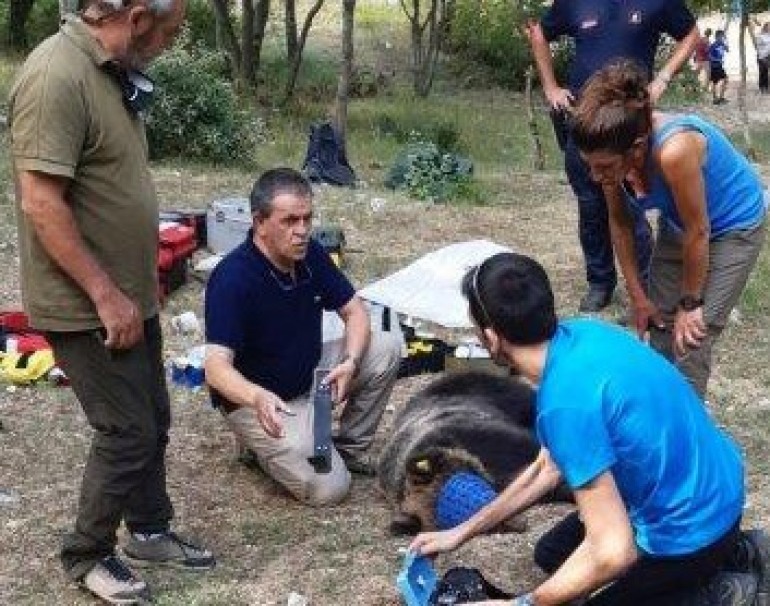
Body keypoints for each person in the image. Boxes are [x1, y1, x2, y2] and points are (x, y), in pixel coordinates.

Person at [410, 251, 769, 606]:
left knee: (588, 580)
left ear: (490, 337)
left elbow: (614, 553)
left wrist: (521, 604)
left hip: (693, 532)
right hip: (718, 490)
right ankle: (735, 552)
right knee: (552, 555)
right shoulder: (582, 334)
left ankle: (718, 592)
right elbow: (546, 469)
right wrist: (461, 532)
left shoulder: (565, 404)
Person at [8, 0, 215, 604]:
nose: (172, 42)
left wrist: (137, 278)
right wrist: (104, 293)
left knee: (154, 417)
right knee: (126, 431)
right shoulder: (55, 76)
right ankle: (87, 553)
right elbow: (42, 203)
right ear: (138, 15)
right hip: (86, 302)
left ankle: (149, 530)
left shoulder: (108, 70)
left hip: (126, 291)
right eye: (171, 29)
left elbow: (108, 187)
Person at [204, 168, 401, 506]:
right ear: (259, 222)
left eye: (307, 219)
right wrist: (256, 397)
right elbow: (216, 369)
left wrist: (351, 363)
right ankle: (263, 448)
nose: (302, 231)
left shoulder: (311, 256)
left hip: (310, 376)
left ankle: (345, 448)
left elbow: (355, 312)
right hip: (261, 400)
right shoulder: (232, 279)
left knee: (385, 347)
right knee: (330, 490)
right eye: (290, 221)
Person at [571, 59, 767, 398]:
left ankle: (688, 432)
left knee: (690, 337)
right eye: (590, 165)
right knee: (658, 327)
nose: (595, 176)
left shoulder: (675, 150)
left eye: (603, 167)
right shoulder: (610, 157)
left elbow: (700, 231)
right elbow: (620, 225)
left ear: (636, 148)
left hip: (733, 226)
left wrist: (691, 304)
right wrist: (638, 297)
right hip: (682, 225)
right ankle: (659, 413)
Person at [525, 0, 698, 313]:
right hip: (585, 123)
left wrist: (662, 79)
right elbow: (539, 33)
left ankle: (646, 287)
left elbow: (691, 34)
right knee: (591, 207)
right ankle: (600, 283)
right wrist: (551, 87)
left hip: (628, 128)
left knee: (630, 209)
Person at [709, 29, 730, 104]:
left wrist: (726, 41)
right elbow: (710, 57)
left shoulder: (722, 44)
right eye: (722, 36)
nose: (722, 37)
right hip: (714, 66)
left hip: (720, 66)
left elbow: (727, 50)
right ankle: (715, 99)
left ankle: (721, 97)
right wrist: (718, 60)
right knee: (715, 82)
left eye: (723, 36)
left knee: (725, 80)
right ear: (717, 36)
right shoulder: (713, 45)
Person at [753, 22, 770, 94]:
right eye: (769, 27)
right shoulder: (760, 36)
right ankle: (762, 88)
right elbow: (758, 47)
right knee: (763, 72)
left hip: (769, 56)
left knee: (766, 72)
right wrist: (761, 57)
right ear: (765, 27)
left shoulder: (769, 35)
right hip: (762, 56)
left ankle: (767, 87)